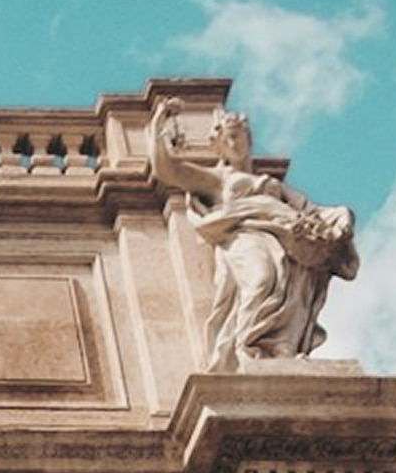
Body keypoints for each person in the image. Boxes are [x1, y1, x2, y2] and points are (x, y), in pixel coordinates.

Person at [149, 102, 359, 368]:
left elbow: (310, 210)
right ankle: (248, 347)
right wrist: (158, 124)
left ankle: (280, 347)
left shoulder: (272, 183)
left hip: (285, 234)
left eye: (239, 136)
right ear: (220, 145)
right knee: (261, 279)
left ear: (249, 139)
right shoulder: (218, 179)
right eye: (229, 138)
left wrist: (340, 216)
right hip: (245, 234)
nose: (235, 143)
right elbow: (168, 170)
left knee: (287, 285)